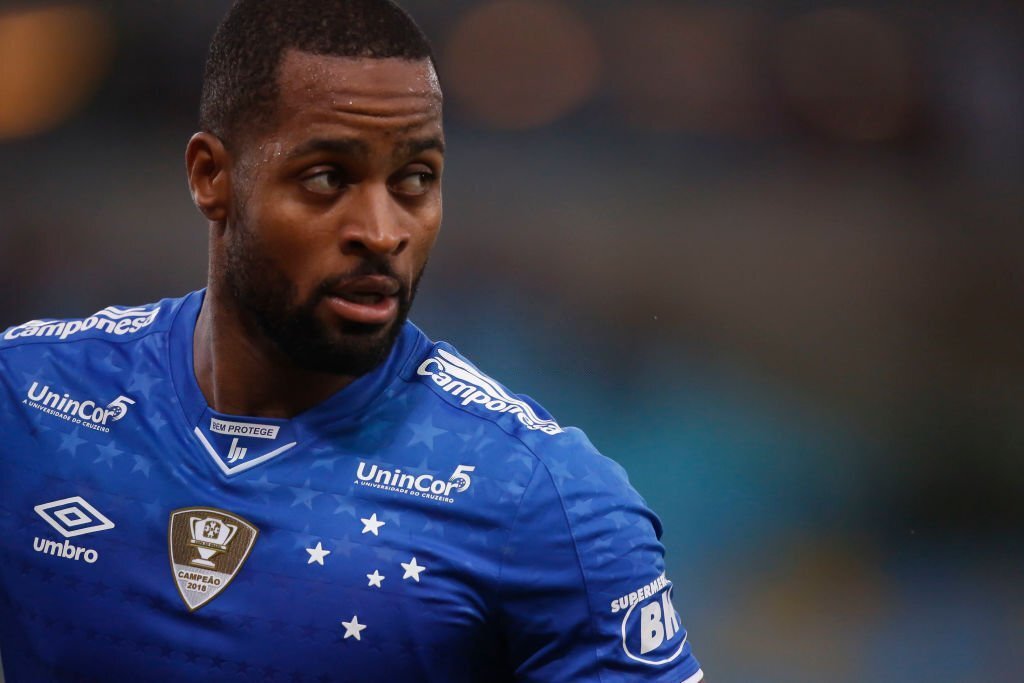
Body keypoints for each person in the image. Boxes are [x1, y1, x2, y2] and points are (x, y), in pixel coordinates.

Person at [0, 1, 704, 681]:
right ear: (211, 177)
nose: (382, 231)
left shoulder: (544, 502)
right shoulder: (27, 399)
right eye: (327, 178)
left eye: (415, 179)